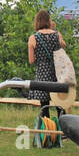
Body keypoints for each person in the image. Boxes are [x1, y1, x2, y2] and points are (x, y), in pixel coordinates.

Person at [28, 10, 66, 143]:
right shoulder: (57, 35)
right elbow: (63, 47)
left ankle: (48, 133)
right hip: (57, 73)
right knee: (59, 104)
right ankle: (64, 132)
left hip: (42, 74)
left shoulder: (33, 38)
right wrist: (54, 30)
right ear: (49, 21)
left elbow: (31, 61)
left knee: (45, 105)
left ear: (37, 21)